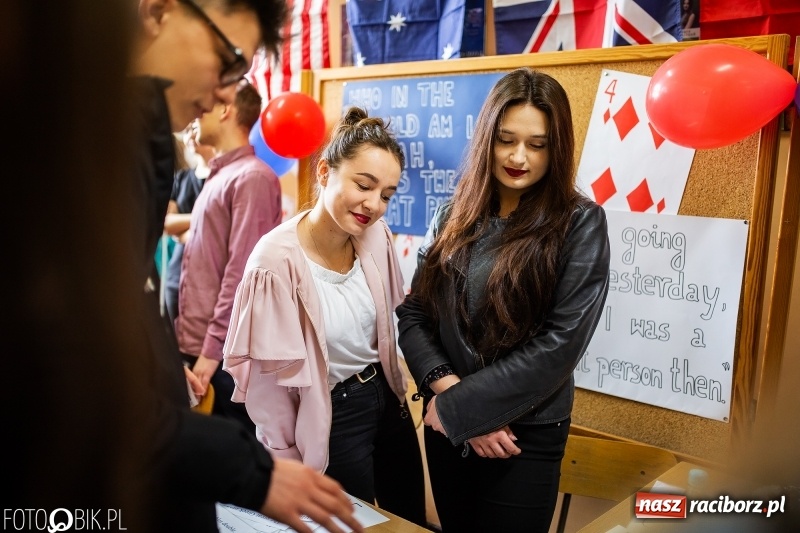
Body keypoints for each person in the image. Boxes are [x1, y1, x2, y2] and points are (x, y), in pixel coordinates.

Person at [131, 1, 363, 531]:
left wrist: (186, 360)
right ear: (158, 12)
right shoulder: (89, 144)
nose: (222, 93)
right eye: (226, 60)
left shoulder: (247, 176)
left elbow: (237, 277)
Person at [396, 67, 611, 533]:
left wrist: (467, 409)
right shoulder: (452, 213)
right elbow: (415, 313)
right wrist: (455, 399)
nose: (519, 157)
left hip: (522, 436)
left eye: (537, 144)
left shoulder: (580, 222)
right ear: (486, 139)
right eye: (506, 139)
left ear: (558, 148)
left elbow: (561, 345)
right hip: (447, 424)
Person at [223, 106, 428, 526]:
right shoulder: (274, 261)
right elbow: (266, 387)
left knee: (406, 517)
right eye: (364, 185)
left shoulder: (375, 237)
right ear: (323, 173)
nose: (374, 205)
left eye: (387, 195)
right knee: (348, 522)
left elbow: (392, 321)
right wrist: (284, 457)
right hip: (331, 413)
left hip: (387, 397)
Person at [176, 81, 281, 432]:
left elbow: (242, 277)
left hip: (221, 358)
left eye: (208, 102)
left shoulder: (253, 177)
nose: (197, 110)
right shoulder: (219, 175)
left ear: (225, 109)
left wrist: (212, 350)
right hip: (199, 347)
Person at [162, 123, 213, 324]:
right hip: (177, 274)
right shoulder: (181, 178)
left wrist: (184, 231)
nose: (190, 135)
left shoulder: (224, 179)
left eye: (195, 128)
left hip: (210, 280)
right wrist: (203, 217)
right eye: (187, 130)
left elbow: (222, 230)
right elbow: (164, 222)